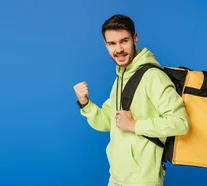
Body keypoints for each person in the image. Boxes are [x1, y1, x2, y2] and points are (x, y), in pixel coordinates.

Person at [73, 14, 190, 186]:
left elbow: (180, 123)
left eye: (124, 41)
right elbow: (107, 121)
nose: (118, 49)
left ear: (135, 39)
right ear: (105, 45)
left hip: (143, 181)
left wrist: (135, 125)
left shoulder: (153, 77)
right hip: (117, 177)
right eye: (112, 43)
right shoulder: (120, 78)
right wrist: (85, 103)